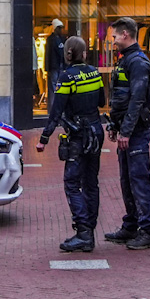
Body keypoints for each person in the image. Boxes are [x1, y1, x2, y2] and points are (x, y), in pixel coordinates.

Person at [37, 35, 105, 252]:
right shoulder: (94, 72)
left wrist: (44, 138)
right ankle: (90, 231)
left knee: (71, 182)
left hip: (78, 135)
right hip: (96, 132)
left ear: (67, 54)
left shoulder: (66, 77)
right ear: (84, 53)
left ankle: (83, 232)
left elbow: (56, 111)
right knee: (91, 182)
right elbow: (102, 101)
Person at [102, 16, 150, 249]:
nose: (113, 40)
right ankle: (132, 225)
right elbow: (122, 99)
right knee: (127, 179)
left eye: (115, 36)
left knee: (138, 179)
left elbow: (137, 100)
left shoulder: (138, 63)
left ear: (125, 34)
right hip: (128, 129)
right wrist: (116, 126)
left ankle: (147, 231)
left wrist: (125, 131)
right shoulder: (127, 60)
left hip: (136, 131)